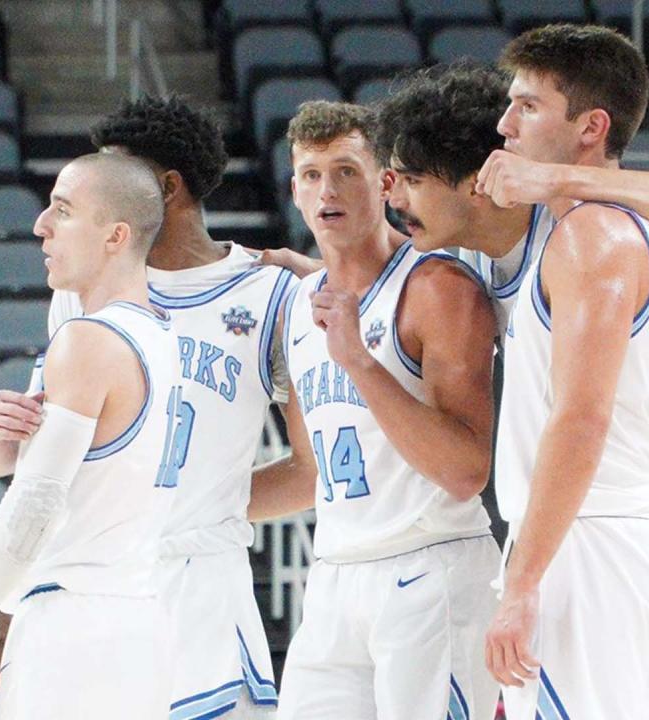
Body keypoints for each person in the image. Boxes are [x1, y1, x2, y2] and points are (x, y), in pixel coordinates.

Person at [377, 61, 649, 720]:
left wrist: (557, 177)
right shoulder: (474, 258)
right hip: (606, 530)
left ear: (477, 181)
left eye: (412, 178)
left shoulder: (588, 226)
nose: (394, 197)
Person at [0, 95, 304, 720]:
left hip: (203, 590)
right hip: (95, 592)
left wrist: (190, 506)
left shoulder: (272, 294)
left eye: (116, 170)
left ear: (166, 189)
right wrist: (11, 599)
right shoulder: (82, 293)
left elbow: (310, 475)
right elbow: (38, 469)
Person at [250, 100, 502, 719]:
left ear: (385, 182)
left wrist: (360, 362)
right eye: (311, 175)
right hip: (335, 574)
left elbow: (466, 470)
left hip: (431, 567)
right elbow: (308, 474)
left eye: (346, 171)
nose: (327, 191)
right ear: (293, 190)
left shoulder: (438, 288)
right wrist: (184, 509)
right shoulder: (299, 303)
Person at [481, 24, 649, 718]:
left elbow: (581, 418)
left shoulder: (593, 236)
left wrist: (523, 583)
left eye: (528, 106)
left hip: (588, 543)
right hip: (598, 540)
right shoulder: (627, 227)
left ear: (591, 127)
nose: (505, 125)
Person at [0, 152, 180, 719]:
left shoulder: (86, 340)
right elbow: (17, 464)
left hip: (73, 628)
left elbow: (35, 503)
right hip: (142, 619)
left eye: (62, 211)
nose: (41, 225)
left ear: (116, 236)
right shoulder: (163, 338)